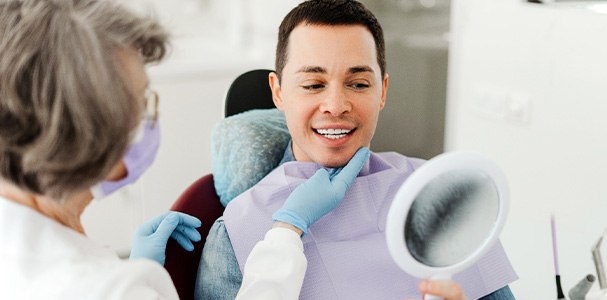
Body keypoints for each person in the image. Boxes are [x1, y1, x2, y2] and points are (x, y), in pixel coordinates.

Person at [0, 0, 367, 299]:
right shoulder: (105, 289)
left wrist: (140, 270)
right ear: (89, 131)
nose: (336, 104)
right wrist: (287, 230)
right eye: (141, 102)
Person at [196, 1, 518, 300]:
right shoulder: (236, 236)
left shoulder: (441, 198)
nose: (336, 106)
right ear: (278, 92)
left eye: (359, 84)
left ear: (382, 91)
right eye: (313, 85)